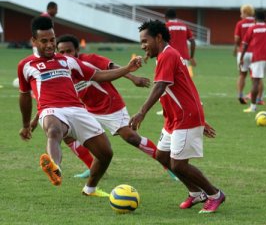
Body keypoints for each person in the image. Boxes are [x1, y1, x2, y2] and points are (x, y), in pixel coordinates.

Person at [18, 16, 142, 196]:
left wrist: (126, 69)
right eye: (44, 41)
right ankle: (55, 168)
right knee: (53, 130)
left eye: (52, 40)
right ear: (34, 41)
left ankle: (90, 189)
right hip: (50, 109)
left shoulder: (68, 61)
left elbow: (97, 75)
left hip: (77, 110)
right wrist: (25, 125)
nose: (50, 45)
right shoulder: (26, 65)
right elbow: (24, 97)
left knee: (105, 153)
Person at [130, 20, 225, 214]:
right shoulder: (165, 55)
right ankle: (195, 192)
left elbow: (160, 86)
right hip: (175, 118)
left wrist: (142, 111)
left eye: (145, 41)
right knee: (162, 156)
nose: (142, 46)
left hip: (185, 117)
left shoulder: (169, 55)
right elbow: (187, 87)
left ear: (158, 38)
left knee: (179, 165)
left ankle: (215, 194)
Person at [51, 34, 177, 180]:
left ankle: (169, 166)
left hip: (109, 106)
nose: (66, 55)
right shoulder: (59, 68)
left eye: (69, 51)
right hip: (87, 109)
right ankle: (92, 167)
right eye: (62, 52)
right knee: (67, 135)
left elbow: (112, 67)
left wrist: (133, 78)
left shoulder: (89, 60)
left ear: (77, 49)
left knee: (131, 138)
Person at [240, 11, 266, 113]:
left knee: (255, 82)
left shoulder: (252, 28)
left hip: (257, 59)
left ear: (255, 19)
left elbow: (244, 44)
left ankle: (253, 107)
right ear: (264, 19)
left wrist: (242, 57)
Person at [233, 4, 264, 105]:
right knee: (257, 77)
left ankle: (240, 95)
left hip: (243, 52)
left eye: (242, 12)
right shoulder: (256, 23)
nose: (241, 14)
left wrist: (237, 46)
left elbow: (237, 39)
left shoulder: (240, 23)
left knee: (242, 75)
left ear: (246, 12)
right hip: (255, 53)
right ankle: (259, 98)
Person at [165, 8, 196, 78]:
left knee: (168, 80)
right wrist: (192, 57)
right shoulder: (184, 26)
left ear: (166, 17)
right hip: (183, 58)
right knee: (184, 81)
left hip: (170, 57)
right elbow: (192, 41)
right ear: (176, 17)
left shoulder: (166, 26)